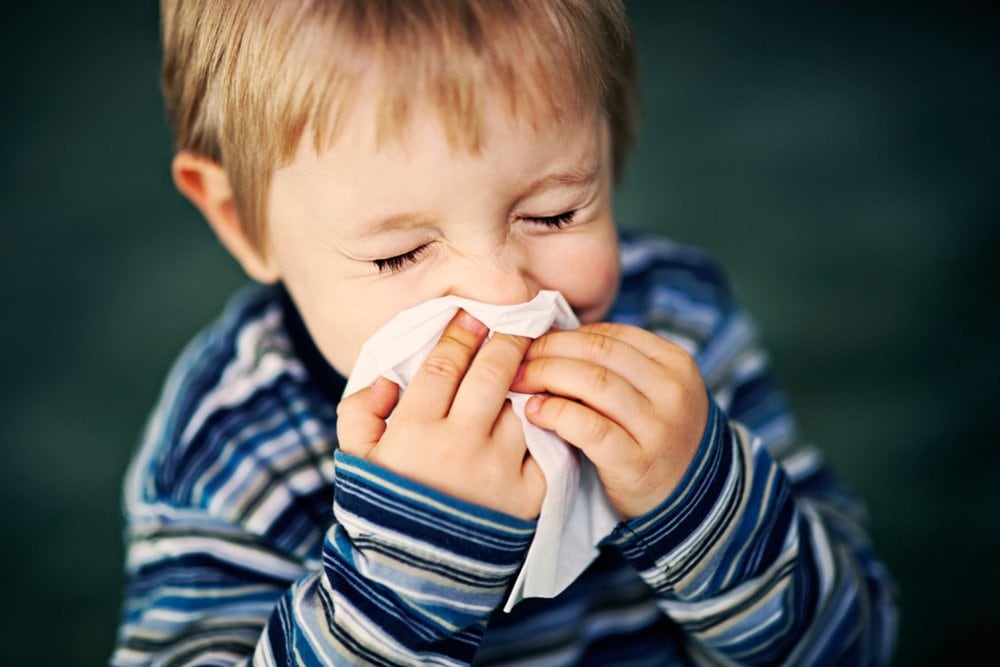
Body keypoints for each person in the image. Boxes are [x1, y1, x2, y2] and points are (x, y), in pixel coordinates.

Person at [111, 1, 897, 664]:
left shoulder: (676, 322)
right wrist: (412, 568)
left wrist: (703, 497)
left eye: (555, 212)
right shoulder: (230, 454)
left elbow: (857, 639)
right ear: (240, 221)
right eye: (398, 254)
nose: (501, 293)